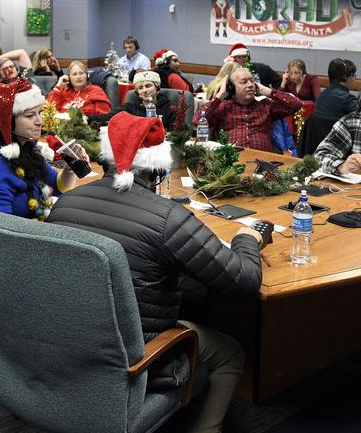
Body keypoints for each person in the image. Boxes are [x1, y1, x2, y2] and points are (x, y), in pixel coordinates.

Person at [48, 111, 263, 433]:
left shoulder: (66, 202)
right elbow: (243, 280)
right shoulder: (167, 217)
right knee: (230, 352)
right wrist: (248, 238)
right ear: (158, 168)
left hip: (66, 338)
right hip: (135, 351)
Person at [0, 80, 86, 219]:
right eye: (30, 115)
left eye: (40, 112)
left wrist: (70, 169)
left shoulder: (26, 148)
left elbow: (55, 186)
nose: (40, 121)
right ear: (8, 121)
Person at [202, 66, 302, 151]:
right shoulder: (223, 107)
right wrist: (220, 95)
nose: (250, 85)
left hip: (262, 162)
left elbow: (296, 104)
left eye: (251, 81)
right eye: (244, 82)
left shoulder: (265, 105)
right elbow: (197, 121)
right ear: (231, 87)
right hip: (230, 162)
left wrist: (268, 91)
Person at [90, 70, 177, 130]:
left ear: (157, 88)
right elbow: (108, 117)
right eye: (140, 88)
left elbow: (176, 133)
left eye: (148, 86)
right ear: (137, 92)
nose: (145, 91)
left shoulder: (169, 107)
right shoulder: (130, 107)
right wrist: (87, 117)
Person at [46, 60, 111, 115]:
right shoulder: (64, 91)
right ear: (69, 78)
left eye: (81, 73)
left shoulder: (96, 91)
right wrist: (58, 85)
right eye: (74, 74)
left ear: (87, 76)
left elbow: (104, 115)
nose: (78, 77)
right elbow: (48, 111)